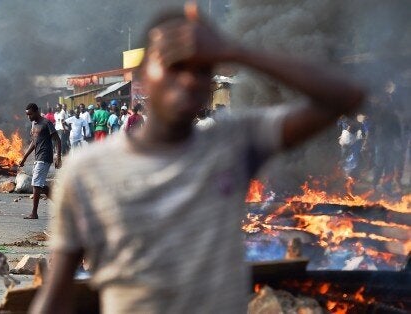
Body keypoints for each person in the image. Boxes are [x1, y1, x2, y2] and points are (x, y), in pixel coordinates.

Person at [30, 8, 364, 314]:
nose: (190, 79)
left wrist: (237, 51)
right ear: (145, 73)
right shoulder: (88, 170)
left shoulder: (233, 143)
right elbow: (58, 293)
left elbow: (345, 97)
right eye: (176, 66)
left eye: (203, 70)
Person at [19, 103, 62, 219]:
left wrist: (58, 157)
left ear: (37, 111)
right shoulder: (33, 124)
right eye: (27, 115)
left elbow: (57, 140)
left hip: (45, 157)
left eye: (30, 114)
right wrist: (24, 158)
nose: (29, 117)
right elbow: (34, 142)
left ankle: (34, 213)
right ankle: (61, 206)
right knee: (41, 185)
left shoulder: (46, 123)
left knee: (36, 184)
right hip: (38, 157)